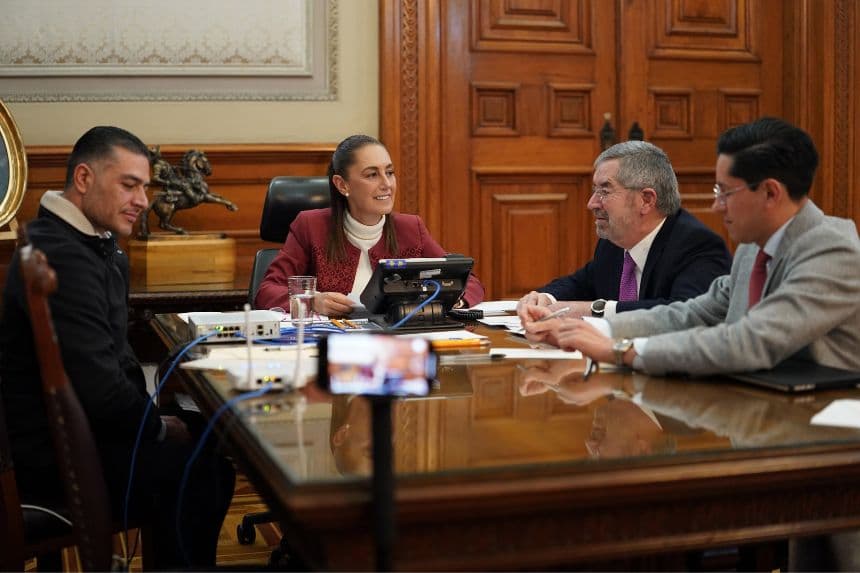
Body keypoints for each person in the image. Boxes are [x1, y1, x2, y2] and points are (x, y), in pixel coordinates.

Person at [0, 126, 234, 568]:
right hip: (57, 462)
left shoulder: (84, 243)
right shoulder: (65, 256)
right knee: (203, 468)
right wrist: (160, 427)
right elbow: (102, 392)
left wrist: (159, 422)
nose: (144, 200)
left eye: (145, 187)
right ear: (85, 179)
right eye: (129, 185)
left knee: (206, 438)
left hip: (78, 438)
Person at [523, 117, 860, 376]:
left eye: (726, 193)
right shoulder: (752, 249)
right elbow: (694, 313)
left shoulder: (832, 250)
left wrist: (620, 349)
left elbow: (751, 340)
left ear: (771, 193)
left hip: (819, 433)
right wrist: (588, 329)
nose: (716, 207)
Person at [255, 134, 484, 316]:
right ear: (342, 184)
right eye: (372, 175)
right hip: (330, 347)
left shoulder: (411, 228)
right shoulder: (311, 226)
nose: (387, 184)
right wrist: (312, 302)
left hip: (396, 346)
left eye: (390, 172)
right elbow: (266, 292)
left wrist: (455, 299)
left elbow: (467, 282)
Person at [517, 140, 731, 323]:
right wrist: (545, 299)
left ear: (646, 200)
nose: (592, 203)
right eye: (595, 191)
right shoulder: (615, 241)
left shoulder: (697, 246)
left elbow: (683, 316)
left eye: (604, 191)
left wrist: (596, 310)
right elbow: (583, 282)